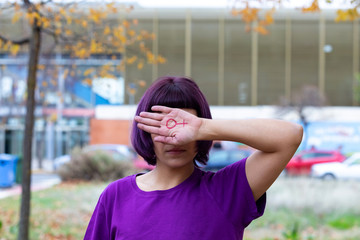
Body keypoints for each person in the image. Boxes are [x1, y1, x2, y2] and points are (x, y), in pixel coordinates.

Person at [84, 76, 303, 240]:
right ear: (146, 131)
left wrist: (204, 126)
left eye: (184, 126)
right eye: (162, 126)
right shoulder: (117, 196)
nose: (175, 138)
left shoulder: (226, 191)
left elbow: (289, 136)